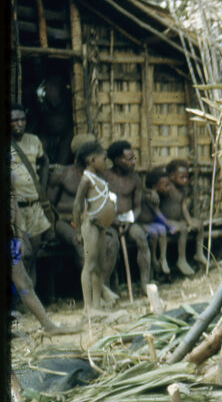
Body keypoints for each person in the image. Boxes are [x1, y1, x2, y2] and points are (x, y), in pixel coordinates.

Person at [47, 134, 119, 299]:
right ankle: (100, 291)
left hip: (93, 221)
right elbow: (50, 204)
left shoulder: (99, 176)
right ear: (88, 157)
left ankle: (102, 287)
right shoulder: (63, 174)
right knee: (81, 246)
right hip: (66, 221)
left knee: (112, 241)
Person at [72, 142, 117, 316]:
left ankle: (97, 306)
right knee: (89, 266)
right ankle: (88, 307)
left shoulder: (98, 178)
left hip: (100, 227)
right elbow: (77, 205)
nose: (106, 163)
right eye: (103, 159)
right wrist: (77, 231)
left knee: (99, 266)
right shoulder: (86, 179)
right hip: (90, 226)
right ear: (91, 160)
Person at [10, 104, 52, 283]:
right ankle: (22, 299)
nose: (20, 123)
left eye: (22, 120)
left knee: (33, 253)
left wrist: (41, 185)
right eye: (15, 121)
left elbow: (44, 161)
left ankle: (29, 297)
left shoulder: (34, 140)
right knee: (24, 254)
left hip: (34, 205)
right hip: (15, 208)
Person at [104, 140, 152, 290]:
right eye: (129, 159)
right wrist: (112, 221)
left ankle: (145, 283)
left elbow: (137, 207)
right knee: (112, 244)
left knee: (142, 239)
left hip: (128, 220)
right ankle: (107, 286)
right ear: (118, 161)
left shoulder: (135, 179)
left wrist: (130, 221)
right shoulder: (105, 177)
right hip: (109, 222)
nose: (133, 162)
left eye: (133, 158)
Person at [160, 159, 207, 275]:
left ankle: (199, 253)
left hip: (178, 220)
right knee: (183, 228)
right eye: (182, 177)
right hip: (166, 221)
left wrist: (190, 221)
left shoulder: (182, 190)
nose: (185, 180)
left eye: (186, 177)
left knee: (199, 224)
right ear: (171, 176)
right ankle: (181, 259)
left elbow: (183, 207)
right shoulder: (167, 188)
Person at [137, 166, 176, 275]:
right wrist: (170, 226)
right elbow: (158, 213)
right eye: (165, 185)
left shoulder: (155, 194)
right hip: (141, 224)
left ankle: (163, 258)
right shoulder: (151, 196)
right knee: (154, 232)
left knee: (162, 230)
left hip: (151, 223)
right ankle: (154, 258)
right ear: (155, 186)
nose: (169, 188)